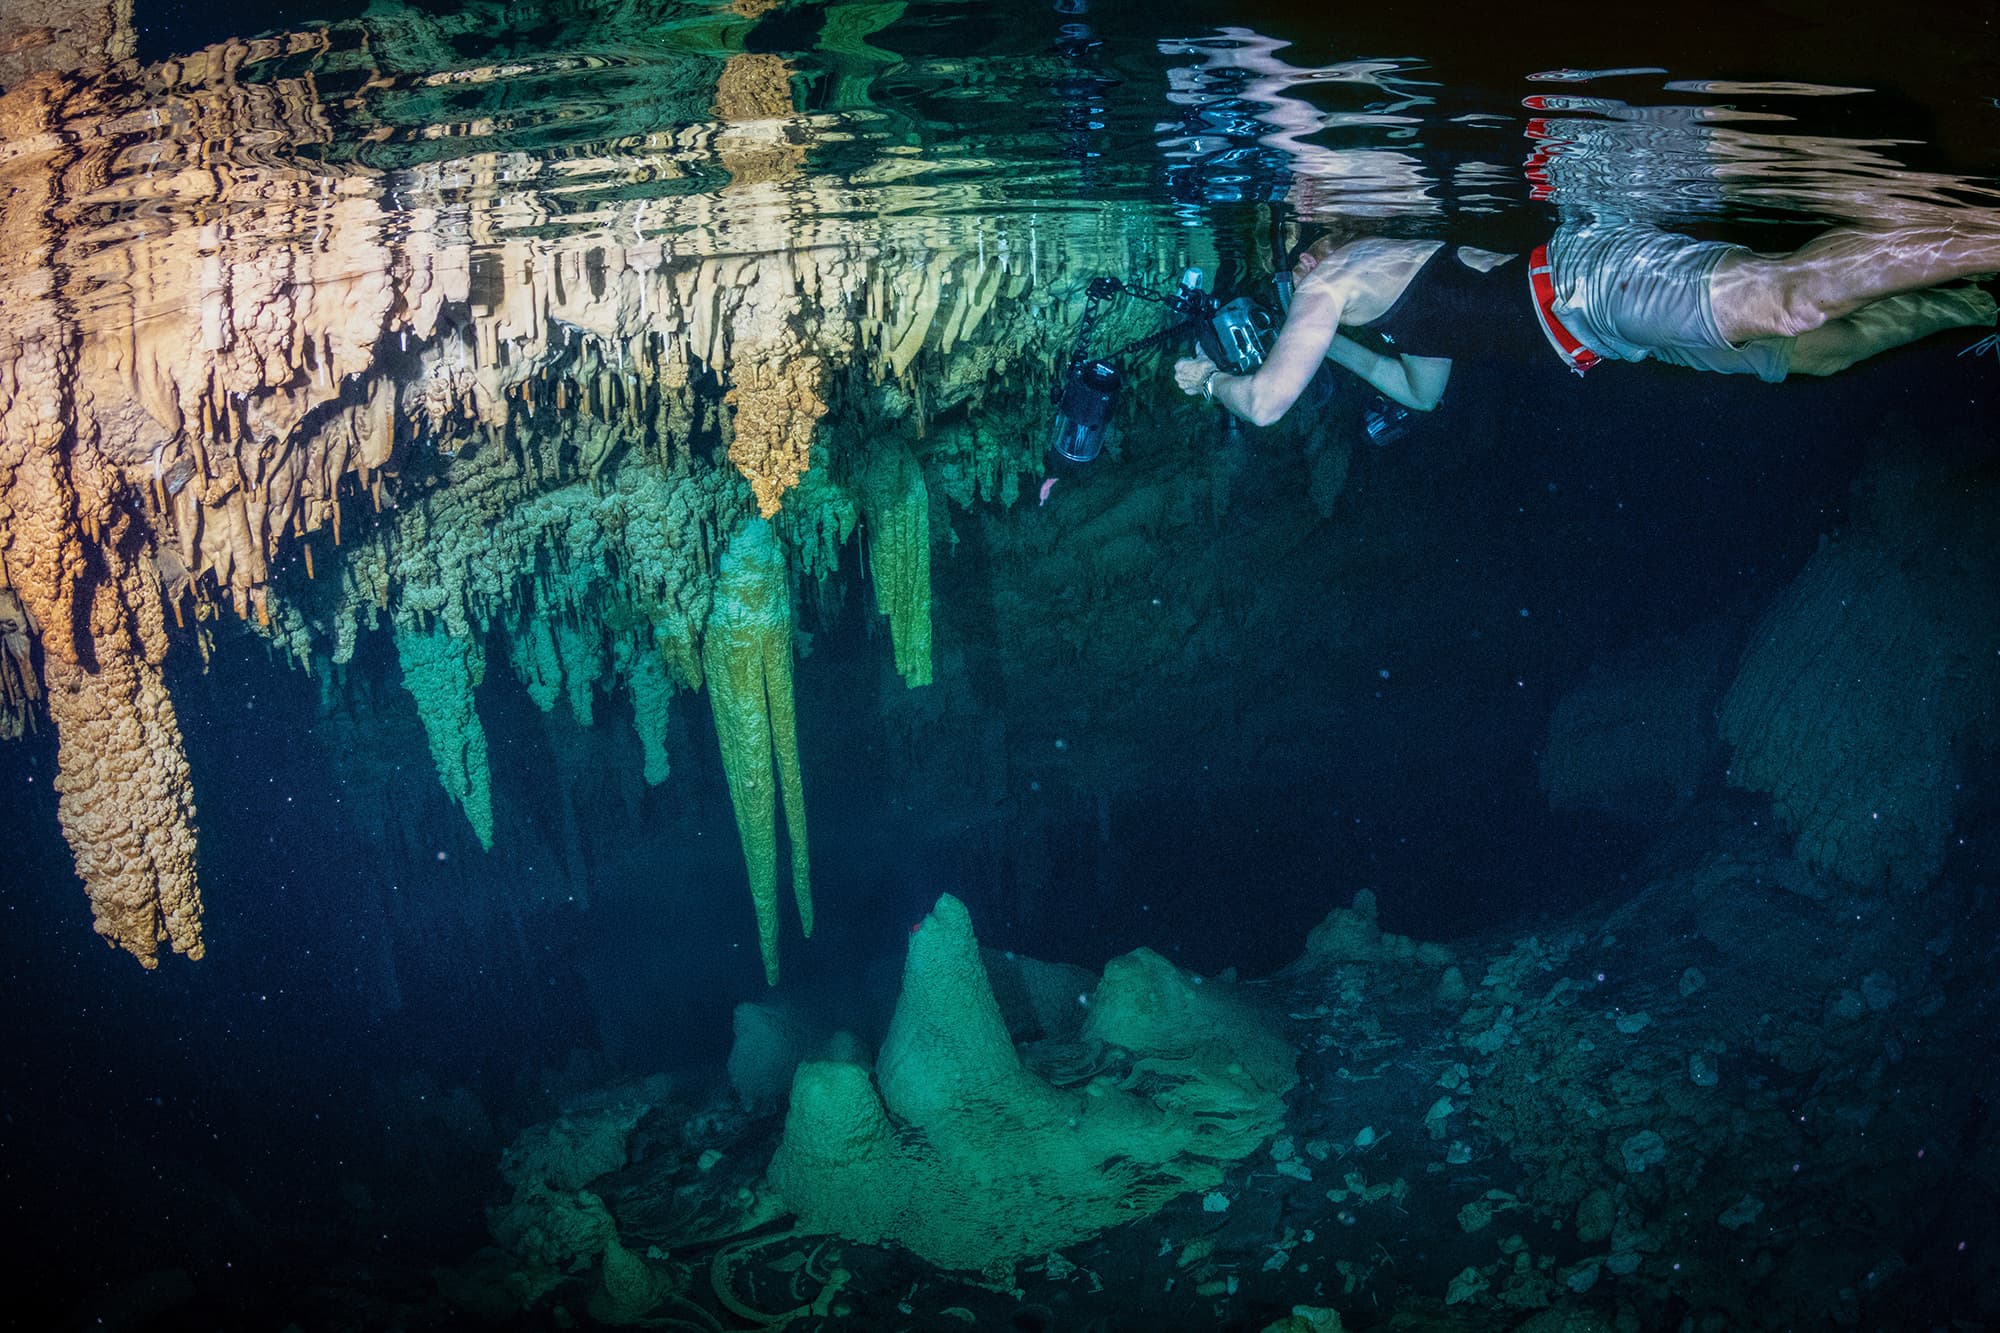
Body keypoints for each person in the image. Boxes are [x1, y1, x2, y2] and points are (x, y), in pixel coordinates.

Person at [1178, 218, 2000, 425]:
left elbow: (1263, 404)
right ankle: (1975, 302)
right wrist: (1331, 355)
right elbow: (1419, 394)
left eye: (1292, 261)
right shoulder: (1378, 313)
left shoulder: (1339, 278)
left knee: (1791, 300)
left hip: (1589, 284)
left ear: (1300, 257)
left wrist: (1212, 377)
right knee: (1806, 355)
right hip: (1602, 333)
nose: (1298, 274)